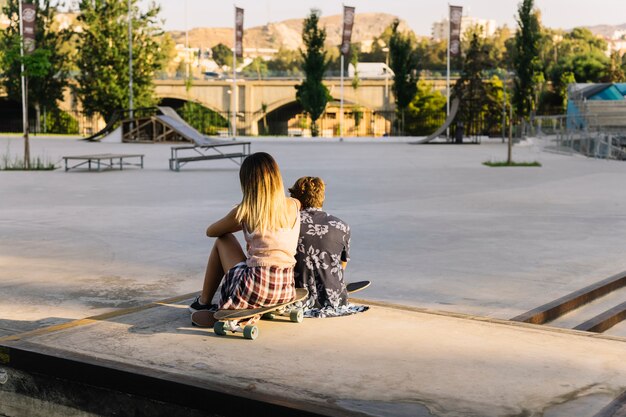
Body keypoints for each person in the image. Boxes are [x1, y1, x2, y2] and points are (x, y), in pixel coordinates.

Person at [188, 152, 301, 324]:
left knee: (223, 240)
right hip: (285, 288)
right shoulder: (294, 204)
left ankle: (203, 302)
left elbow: (211, 231)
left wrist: (240, 220)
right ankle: (256, 303)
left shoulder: (245, 210)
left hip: (254, 287)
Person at [289, 176, 364, 317]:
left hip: (297, 298)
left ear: (296, 198)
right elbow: (342, 265)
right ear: (322, 197)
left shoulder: (288, 223)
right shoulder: (342, 226)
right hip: (333, 298)